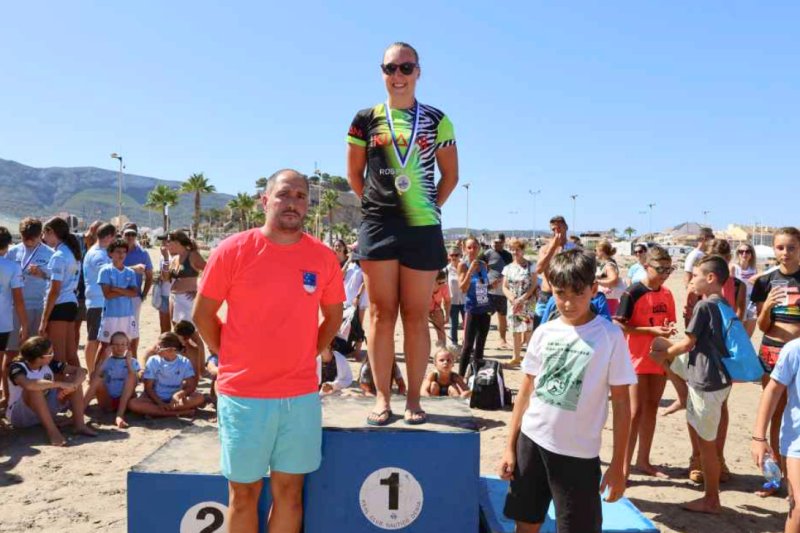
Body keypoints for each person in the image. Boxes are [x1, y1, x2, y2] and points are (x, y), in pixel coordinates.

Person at [193, 169, 344, 533]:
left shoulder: (323, 257)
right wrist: (228, 353)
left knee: (290, 494)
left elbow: (334, 316)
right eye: (283, 194)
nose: (292, 203)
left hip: (300, 395)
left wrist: (310, 352)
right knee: (243, 495)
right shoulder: (233, 250)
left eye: (301, 196)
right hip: (243, 395)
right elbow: (202, 315)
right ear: (265, 200)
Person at [346, 42, 459, 426]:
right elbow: (354, 174)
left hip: (421, 226)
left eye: (406, 68)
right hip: (378, 225)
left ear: (418, 72)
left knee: (415, 314)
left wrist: (428, 207)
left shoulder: (437, 119)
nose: (398, 75)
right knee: (380, 313)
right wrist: (377, 206)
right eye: (390, 68)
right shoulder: (365, 119)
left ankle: (413, 399)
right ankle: (382, 398)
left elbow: (450, 175)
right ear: (382, 72)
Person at [498, 249, 635, 533]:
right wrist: (510, 447)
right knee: (526, 523)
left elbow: (622, 404)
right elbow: (525, 392)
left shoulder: (610, 337)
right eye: (561, 294)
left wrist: (618, 465)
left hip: (578, 455)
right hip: (532, 442)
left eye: (578, 293)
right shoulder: (544, 332)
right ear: (551, 289)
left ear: (593, 290)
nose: (569, 303)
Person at [649, 255, 734, 513]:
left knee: (706, 446)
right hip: (720, 376)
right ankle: (682, 396)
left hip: (706, 380)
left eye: (695, 276)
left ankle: (711, 499)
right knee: (658, 345)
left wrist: (666, 354)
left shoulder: (704, 306)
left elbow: (688, 343)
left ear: (710, 278)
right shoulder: (724, 304)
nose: (691, 281)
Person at [613, 245, 677, 478]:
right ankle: (623, 466)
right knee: (634, 412)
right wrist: (649, 330)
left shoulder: (667, 293)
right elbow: (619, 324)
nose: (665, 274)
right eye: (660, 269)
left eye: (669, 269)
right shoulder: (633, 292)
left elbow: (668, 320)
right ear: (646, 266)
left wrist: (667, 329)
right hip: (636, 358)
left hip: (658, 358)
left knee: (651, 408)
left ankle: (643, 461)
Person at [750, 227, 800, 497]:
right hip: (772, 350)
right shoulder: (765, 281)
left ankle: (795, 476)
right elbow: (762, 325)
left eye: (791, 247)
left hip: (798, 354)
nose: (785, 253)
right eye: (780, 247)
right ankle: (774, 477)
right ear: (774, 249)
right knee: (775, 412)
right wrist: (768, 306)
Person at [7, 336, 95, 445]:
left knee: (72, 379)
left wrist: (73, 385)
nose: (53, 354)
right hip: (21, 416)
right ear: (39, 357)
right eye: (50, 353)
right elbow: (28, 384)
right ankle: (53, 432)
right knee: (34, 389)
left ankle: (79, 425)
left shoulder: (49, 364)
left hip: (46, 408)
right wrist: (60, 384)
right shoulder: (17, 367)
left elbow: (81, 371)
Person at [751, 338, 800, 533]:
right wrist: (759, 437)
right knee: (798, 506)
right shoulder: (795, 349)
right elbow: (772, 390)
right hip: (797, 442)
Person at [3, 218, 53, 407]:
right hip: (16, 308)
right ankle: (8, 397)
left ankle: (35, 397)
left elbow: (58, 279)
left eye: (32, 238)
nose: (28, 241)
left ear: (41, 235)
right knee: (11, 353)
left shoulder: (50, 253)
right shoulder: (13, 252)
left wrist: (43, 273)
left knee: (37, 355)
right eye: (25, 238)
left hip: (39, 307)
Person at [127, 331, 204, 417]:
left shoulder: (184, 362)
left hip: (175, 399)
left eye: (159, 347)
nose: (156, 348)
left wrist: (178, 395)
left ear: (170, 349)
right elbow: (148, 388)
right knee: (132, 404)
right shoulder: (153, 360)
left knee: (199, 398)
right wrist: (160, 403)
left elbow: (191, 386)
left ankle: (160, 412)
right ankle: (177, 413)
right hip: (155, 398)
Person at [40, 217, 82, 367]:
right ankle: (79, 382)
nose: (43, 238)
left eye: (44, 233)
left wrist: (44, 319)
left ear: (51, 232)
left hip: (60, 305)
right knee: (71, 355)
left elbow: (54, 290)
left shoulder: (58, 255)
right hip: (71, 303)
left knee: (58, 359)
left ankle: (65, 383)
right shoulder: (71, 252)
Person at [83, 331, 140, 428]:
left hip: (126, 400)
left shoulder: (132, 361)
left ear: (127, 346)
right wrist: (105, 357)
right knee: (97, 379)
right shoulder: (107, 361)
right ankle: (79, 412)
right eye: (116, 344)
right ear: (110, 346)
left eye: (123, 344)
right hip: (108, 401)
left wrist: (128, 363)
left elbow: (136, 380)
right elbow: (94, 377)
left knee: (131, 376)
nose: (120, 347)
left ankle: (119, 415)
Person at [82, 222, 116, 374]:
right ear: (109, 237)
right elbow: (107, 272)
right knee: (93, 339)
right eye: (114, 237)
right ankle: (91, 373)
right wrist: (132, 269)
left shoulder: (102, 252)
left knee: (103, 339)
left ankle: (97, 371)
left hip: (103, 301)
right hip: (97, 302)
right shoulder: (98, 254)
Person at [97, 239, 139, 359]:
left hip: (127, 315)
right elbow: (107, 295)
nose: (121, 255)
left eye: (124, 252)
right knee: (106, 346)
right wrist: (126, 291)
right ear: (111, 253)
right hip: (111, 315)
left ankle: (132, 369)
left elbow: (134, 293)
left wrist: (116, 289)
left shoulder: (130, 272)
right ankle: (96, 370)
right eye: (118, 251)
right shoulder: (105, 271)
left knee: (129, 345)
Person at [0, 226, 28, 408]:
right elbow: (18, 300)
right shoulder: (12, 267)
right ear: (7, 246)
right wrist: (24, 324)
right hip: (2, 322)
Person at [458, 237, 493, 377]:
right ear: (465, 249)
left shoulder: (484, 265)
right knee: (467, 346)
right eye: (469, 247)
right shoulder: (463, 265)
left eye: (475, 247)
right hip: (471, 309)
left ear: (479, 248)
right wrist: (470, 271)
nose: (472, 250)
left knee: (480, 345)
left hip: (484, 308)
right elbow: (463, 288)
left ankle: (476, 376)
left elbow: (482, 286)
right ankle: (460, 377)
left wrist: (492, 285)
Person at [533, 216, 576, 328]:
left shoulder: (574, 249)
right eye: (553, 229)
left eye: (559, 228)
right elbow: (539, 269)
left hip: (566, 294)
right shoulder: (545, 249)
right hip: (547, 294)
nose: (556, 231)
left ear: (566, 227)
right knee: (539, 327)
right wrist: (553, 247)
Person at [501, 238, 537, 367]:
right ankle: (516, 357)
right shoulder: (508, 268)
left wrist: (523, 298)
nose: (515, 252)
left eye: (517, 249)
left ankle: (530, 358)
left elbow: (533, 285)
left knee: (528, 330)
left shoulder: (531, 266)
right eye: (512, 249)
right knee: (515, 330)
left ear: (522, 250)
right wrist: (512, 298)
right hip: (513, 303)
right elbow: (504, 286)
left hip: (527, 302)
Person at [122, 223, 153, 357]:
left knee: (133, 330)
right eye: (127, 234)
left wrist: (144, 295)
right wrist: (133, 268)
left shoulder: (143, 253)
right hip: (116, 296)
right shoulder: (116, 251)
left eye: (133, 234)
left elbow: (149, 275)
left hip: (134, 297)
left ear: (136, 236)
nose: (130, 237)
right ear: (122, 234)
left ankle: (133, 358)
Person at [167, 230, 206, 325]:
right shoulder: (175, 258)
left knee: (189, 330)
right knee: (177, 329)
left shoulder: (192, 255)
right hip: (174, 297)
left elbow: (209, 271)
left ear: (177, 242)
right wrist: (165, 259)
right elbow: (166, 278)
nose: (167, 244)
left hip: (187, 299)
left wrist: (199, 291)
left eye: (169, 242)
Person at [483, 234, 513, 349]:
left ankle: (503, 340)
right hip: (489, 291)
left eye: (499, 242)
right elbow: (479, 267)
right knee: (485, 317)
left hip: (503, 291)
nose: (496, 244)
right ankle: (481, 339)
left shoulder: (508, 255)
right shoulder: (487, 253)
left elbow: (511, 269)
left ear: (503, 242)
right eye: (495, 242)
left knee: (502, 316)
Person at [682, 227, 715, 326]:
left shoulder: (703, 254)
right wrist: (691, 299)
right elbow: (687, 277)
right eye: (712, 237)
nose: (713, 240)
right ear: (705, 238)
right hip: (695, 296)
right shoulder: (695, 255)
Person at [733, 242, 759, 336]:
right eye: (741, 251)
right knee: (739, 331)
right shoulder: (734, 268)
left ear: (751, 254)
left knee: (749, 332)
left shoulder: (754, 269)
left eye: (747, 251)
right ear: (738, 254)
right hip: (739, 301)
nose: (744, 254)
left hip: (752, 301)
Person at [595, 240, 625, 316]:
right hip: (609, 300)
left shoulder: (609, 265)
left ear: (602, 251)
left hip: (608, 301)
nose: (596, 253)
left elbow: (613, 280)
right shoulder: (608, 263)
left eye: (596, 250)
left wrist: (597, 281)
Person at [446, 245, 465, 348]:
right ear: (449, 256)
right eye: (452, 255)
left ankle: (467, 343)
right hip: (452, 301)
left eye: (456, 255)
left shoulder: (465, 266)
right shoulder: (447, 269)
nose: (454, 257)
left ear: (460, 255)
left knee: (467, 324)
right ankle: (454, 343)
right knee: (454, 324)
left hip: (465, 300)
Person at [429, 269, 451, 348]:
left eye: (444, 282)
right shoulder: (426, 285)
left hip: (436, 308)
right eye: (440, 283)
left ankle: (442, 349)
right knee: (422, 331)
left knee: (440, 330)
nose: (442, 284)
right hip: (423, 309)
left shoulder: (444, 287)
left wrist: (447, 315)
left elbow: (447, 301)